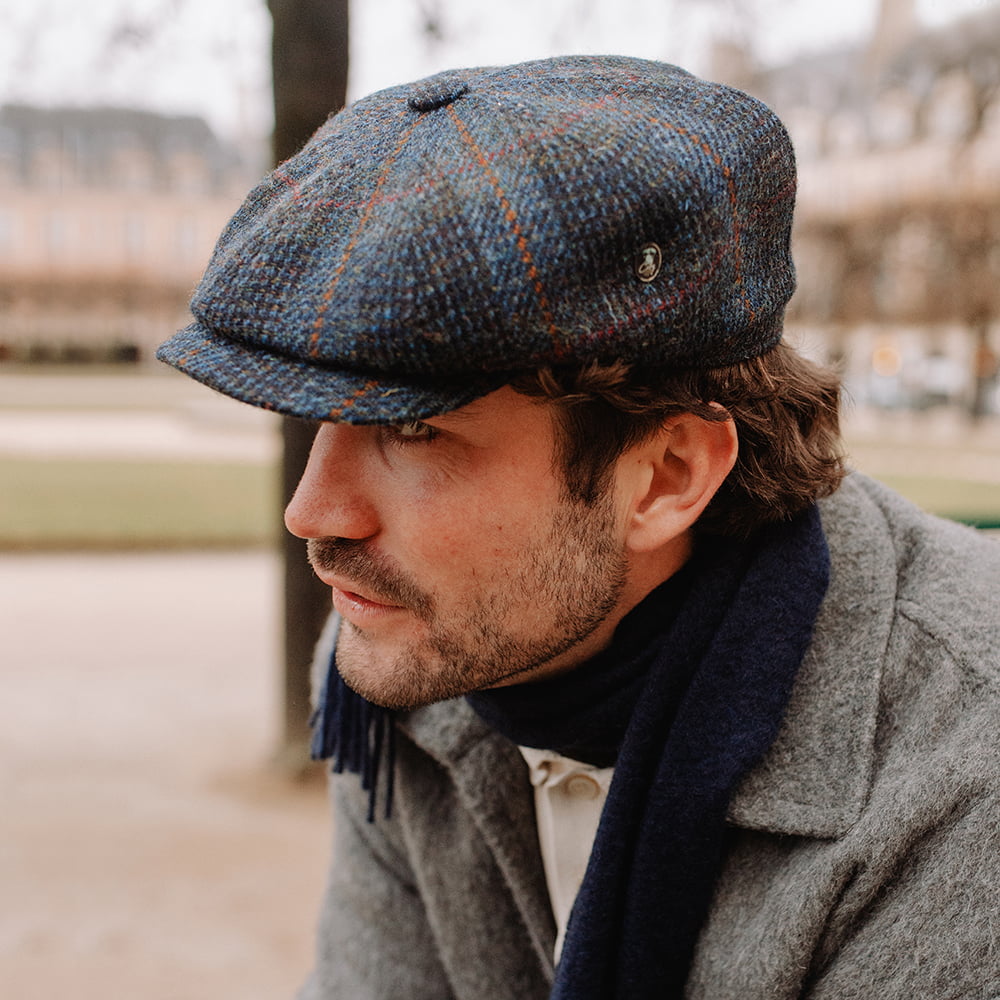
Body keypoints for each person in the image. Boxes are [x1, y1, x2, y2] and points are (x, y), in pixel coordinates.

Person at [157, 55, 1000, 999]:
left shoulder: (966, 769)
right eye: (319, 416)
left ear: (667, 476)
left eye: (414, 429)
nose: (312, 513)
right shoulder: (401, 651)